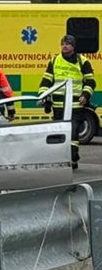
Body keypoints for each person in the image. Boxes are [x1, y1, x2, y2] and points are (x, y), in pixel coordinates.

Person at [39, 33, 96, 170]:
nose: (64, 46)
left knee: (73, 132)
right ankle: (60, 160)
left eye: (68, 44)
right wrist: (43, 95)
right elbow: (46, 81)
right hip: (58, 106)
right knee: (59, 132)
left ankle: (73, 159)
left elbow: (90, 82)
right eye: (63, 44)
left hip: (76, 105)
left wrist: (85, 95)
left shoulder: (83, 61)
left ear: (73, 46)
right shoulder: (55, 61)